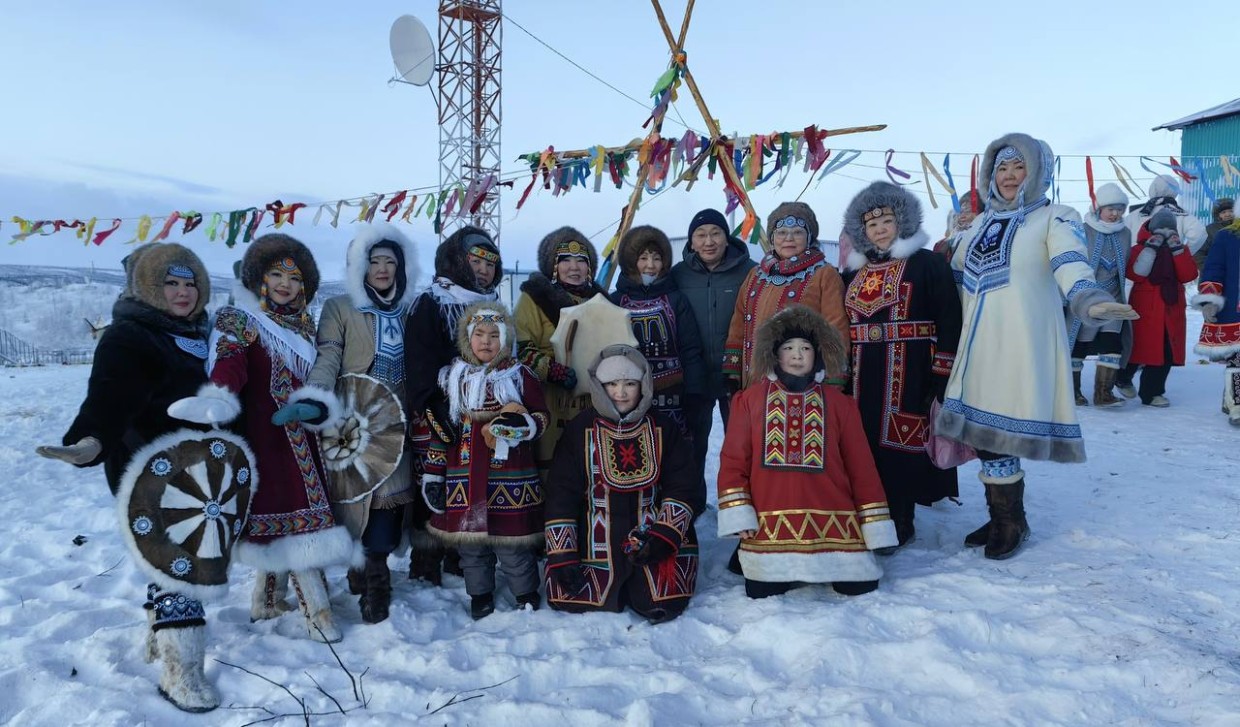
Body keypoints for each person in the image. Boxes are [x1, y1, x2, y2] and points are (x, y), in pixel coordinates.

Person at [37, 243, 220, 712]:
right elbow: (109, 394)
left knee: (180, 560)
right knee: (180, 566)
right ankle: (182, 672)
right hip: (148, 468)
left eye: (189, 282)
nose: (182, 293)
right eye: (170, 284)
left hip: (204, 472)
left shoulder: (206, 331)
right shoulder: (130, 335)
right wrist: (90, 439)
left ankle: (161, 639)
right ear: (148, 288)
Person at [937, 133, 1137, 560]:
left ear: (1037, 172)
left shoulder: (1055, 217)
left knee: (1007, 430)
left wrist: (1089, 298)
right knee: (984, 433)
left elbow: (1070, 263)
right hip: (976, 344)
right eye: (1002, 168)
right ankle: (1001, 515)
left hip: (1020, 343)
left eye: (1018, 167)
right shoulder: (980, 224)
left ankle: (1011, 520)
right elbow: (951, 276)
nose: (1009, 176)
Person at [170, 233, 354, 642]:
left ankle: (266, 601)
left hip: (305, 441)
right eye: (275, 274)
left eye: (294, 277)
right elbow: (230, 364)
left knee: (290, 522)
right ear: (259, 280)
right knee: (296, 526)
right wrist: (219, 396)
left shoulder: (305, 327)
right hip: (267, 444)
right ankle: (318, 615)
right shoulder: (242, 320)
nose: (285, 284)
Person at [280, 223, 419, 623]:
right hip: (354, 420)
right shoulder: (340, 307)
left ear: (400, 267)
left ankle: (377, 577)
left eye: (389, 262)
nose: (381, 269)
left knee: (392, 498)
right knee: (361, 498)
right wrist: (316, 397)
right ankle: (363, 568)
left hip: (401, 417)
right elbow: (328, 355)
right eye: (373, 261)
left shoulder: (410, 309)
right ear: (359, 266)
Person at [717, 305, 897, 599]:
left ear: (818, 355)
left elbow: (861, 468)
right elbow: (734, 462)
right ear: (775, 354)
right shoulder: (748, 402)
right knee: (761, 591)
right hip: (769, 536)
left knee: (861, 587)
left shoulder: (841, 405)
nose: (797, 355)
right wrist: (739, 516)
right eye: (788, 347)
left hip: (836, 530)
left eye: (805, 348)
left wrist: (874, 525)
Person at [841, 181, 962, 549]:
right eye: (871, 225)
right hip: (862, 371)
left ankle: (901, 518)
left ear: (902, 222)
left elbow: (950, 318)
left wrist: (942, 373)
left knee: (901, 443)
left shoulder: (926, 264)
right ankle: (867, 515)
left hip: (910, 371)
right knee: (861, 445)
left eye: (886, 221)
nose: (879, 230)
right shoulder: (851, 274)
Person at [543, 345, 702, 623]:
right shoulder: (580, 429)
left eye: (630, 383)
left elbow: (683, 483)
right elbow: (561, 492)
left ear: (644, 385)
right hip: (595, 535)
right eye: (612, 384)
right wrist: (562, 554)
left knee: (664, 597)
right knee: (572, 591)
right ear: (599, 386)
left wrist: (665, 536)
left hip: (652, 532)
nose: (621, 392)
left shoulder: (664, 427)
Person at [421, 303, 548, 619]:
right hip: (463, 475)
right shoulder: (452, 379)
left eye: (494, 335)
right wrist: (434, 476)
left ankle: (525, 591)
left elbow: (542, 416)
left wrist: (525, 426)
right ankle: (480, 594)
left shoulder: (520, 376)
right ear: (467, 338)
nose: (486, 341)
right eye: (479, 334)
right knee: (471, 544)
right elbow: (440, 430)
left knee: (513, 542)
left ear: (505, 339)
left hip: (510, 476)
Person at [404, 225, 503, 584]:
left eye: (491, 263)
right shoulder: (432, 302)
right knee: (433, 487)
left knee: (472, 483)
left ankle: (461, 556)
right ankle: (426, 562)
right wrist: (432, 409)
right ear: (457, 262)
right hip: (439, 409)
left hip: (481, 413)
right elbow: (418, 362)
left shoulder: (494, 307)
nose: (483, 269)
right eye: (475, 260)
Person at [723, 202, 850, 393]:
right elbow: (738, 324)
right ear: (772, 238)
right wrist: (732, 371)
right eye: (781, 232)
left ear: (809, 237)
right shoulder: (756, 275)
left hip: (802, 385)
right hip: (752, 381)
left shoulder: (824, 274)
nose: (789, 238)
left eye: (798, 232)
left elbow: (836, 328)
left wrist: (833, 379)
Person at [670, 208, 756, 488]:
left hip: (737, 375)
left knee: (742, 443)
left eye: (716, 233)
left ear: (726, 238)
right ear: (691, 241)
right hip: (693, 374)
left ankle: (740, 499)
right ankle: (691, 503)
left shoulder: (750, 271)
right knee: (692, 443)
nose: (709, 241)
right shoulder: (678, 275)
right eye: (701, 235)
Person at [513, 227, 604, 474]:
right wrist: (551, 369)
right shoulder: (532, 299)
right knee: (552, 467)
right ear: (554, 265)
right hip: (549, 399)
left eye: (581, 261)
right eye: (566, 261)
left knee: (590, 463)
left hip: (590, 399)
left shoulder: (601, 301)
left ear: (590, 268)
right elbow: (520, 349)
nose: (574, 268)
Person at [609, 224, 705, 437]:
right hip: (625, 396)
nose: (650, 265)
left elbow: (690, 349)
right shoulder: (615, 302)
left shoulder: (676, 299)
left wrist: (694, 391)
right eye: (643, 258)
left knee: (673, 457)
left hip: (672, 396)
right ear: (630, 261)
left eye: (657, 258)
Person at [1066, 183, 1133, 408]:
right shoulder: (1083, 230)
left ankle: (1104, 393)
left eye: (1119, 209)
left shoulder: (1125, 233)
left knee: (1113, 343)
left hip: (1113, 297)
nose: (1115, 214)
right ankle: (1072, 391)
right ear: (1098, 209)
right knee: (1081, 344)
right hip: (1088, 298)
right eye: (1110, 209)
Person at [1123, 211, 1197, 407]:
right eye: (1160, 229)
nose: (1165, 233)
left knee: (1165, 350)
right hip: (1145, 306)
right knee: (1138, 347)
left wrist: (1177, 249)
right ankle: (1122, 378)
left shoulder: (1180, 249)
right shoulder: (1139, 248)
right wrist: (1151, 248)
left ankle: (1152, 393)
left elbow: (1188, 275)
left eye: (1170, 229)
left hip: (1171, 307)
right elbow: (1136, 274)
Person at [1191, 223, 1240, 425]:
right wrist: (1210, 299)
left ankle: (1229, 397)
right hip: (1234, 308)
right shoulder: (1227, 236)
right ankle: (1237, 403)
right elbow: (1213, 269)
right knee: (1237, 358)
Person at [1124, 174, 1208, 257]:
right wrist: (1182, 254)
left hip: (1137, 262)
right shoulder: (1181, 213)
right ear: (1175, 190)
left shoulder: (1137, 213)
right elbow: (1200, 233)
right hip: (1169, 264)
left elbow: (1121, 238)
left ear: (1152, 188)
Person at [933, 189, 985, 258]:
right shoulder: (941, 245)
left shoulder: (983, 244)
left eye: (968, 211)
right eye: (961, 211)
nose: (962, 216)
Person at [1197, 198, 1234, 273]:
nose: (1228, 214)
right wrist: (1211, 269)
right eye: (1223, 212)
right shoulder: (1209, 230)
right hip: (1214, 276)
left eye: (1231, 211)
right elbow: (1198, 253)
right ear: (1217, 215)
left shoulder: (1238, 229)